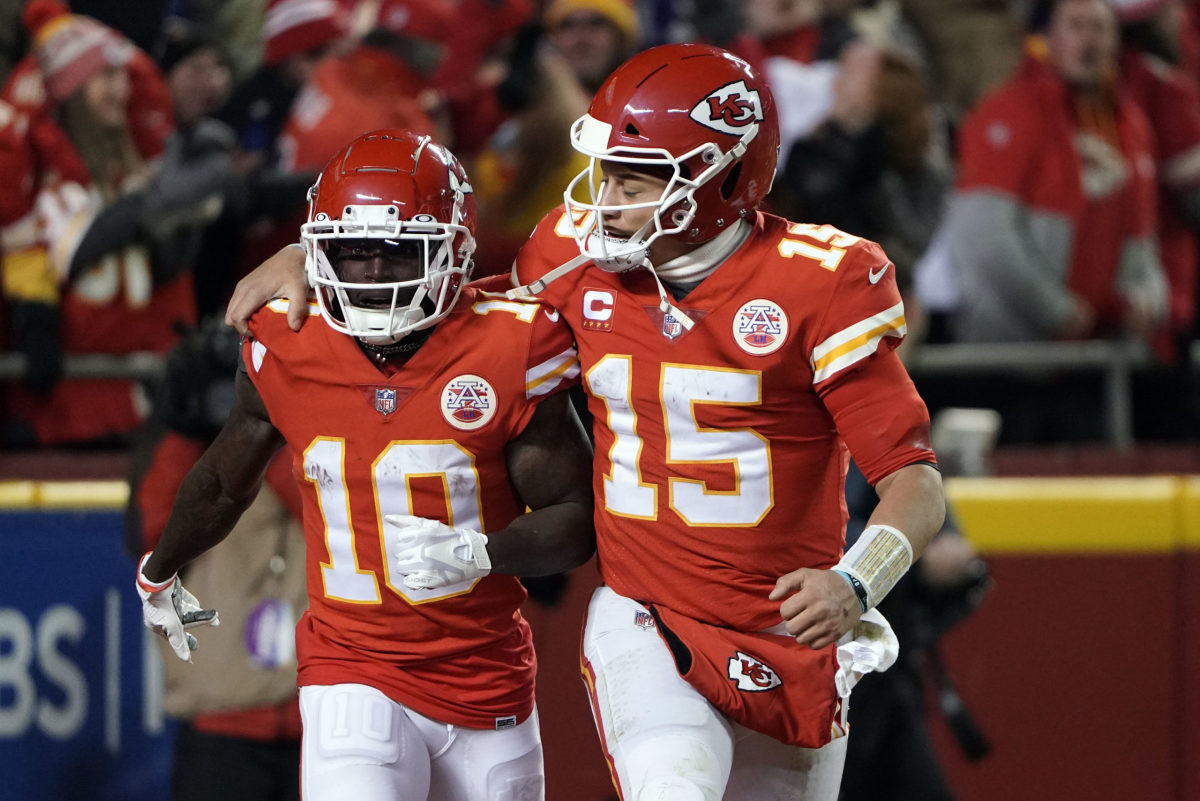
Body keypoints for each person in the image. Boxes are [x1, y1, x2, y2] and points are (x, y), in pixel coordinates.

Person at [226, 45, 945, 801]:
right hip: (649, 617)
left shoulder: (821, 282)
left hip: (790, 635)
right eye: (606, 170)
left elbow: (914, 480)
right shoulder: (574, 255)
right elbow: (449, 317)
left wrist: (857, 583)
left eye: (635, 176)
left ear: (725, 174)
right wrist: (320, 252)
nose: (605, 195)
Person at [136, 129, 596, 801]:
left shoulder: (512, 345)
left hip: (486, 674)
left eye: (397, 252)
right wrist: (159, 570)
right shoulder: (288, 338)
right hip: (351, 665)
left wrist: (480, 551)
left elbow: (577, 521)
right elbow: (222, 480)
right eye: (351, 254)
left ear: (455, 251)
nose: (376, 275)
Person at [125, 315, 305, 801]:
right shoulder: (192, 460)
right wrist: (182, 420)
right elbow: (149, 538)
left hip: (324, 725)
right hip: (221, 731)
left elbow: (328, 513)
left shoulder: (316, 445)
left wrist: (265, 419)